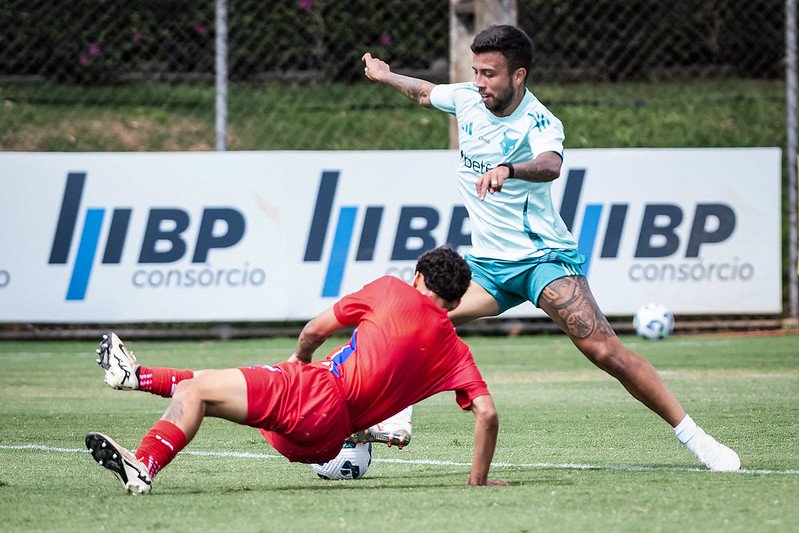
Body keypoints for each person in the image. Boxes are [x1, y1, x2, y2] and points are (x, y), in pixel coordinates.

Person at [362, 24, 740, 471]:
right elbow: (426, 93)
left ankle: (698, 441)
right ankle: (398, 415)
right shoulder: (467, 98)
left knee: (605, 351)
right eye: (477, 71)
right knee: (416, 315)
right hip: (486, 267)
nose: (480, 82)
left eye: (491, 74)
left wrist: (511, 169)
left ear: (519, 76)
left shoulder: (540, 121)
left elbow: (550, 165)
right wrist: (386, 76)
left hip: (543, 259)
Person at [86, 247, 507, 493]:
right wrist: (477, 482)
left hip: (314, 395)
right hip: (320, 443)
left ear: (416, 277)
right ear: (455, 302)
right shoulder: (458, 351)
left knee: (198, 392)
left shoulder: (392, 291)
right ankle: (134, 377)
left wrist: (298, 362)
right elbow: (487, 414)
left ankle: (144, 463)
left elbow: (313, 330)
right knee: (211, 391)